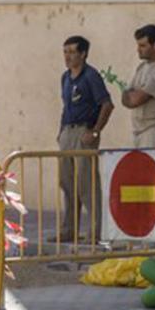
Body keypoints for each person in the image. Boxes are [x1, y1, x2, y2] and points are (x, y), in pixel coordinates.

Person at [56, 35, 113, 244]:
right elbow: (66, 105)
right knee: (67, 181)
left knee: (86, 184)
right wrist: (60, 131)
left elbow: (107, 105)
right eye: (65, 52)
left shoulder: (91, 76)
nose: (68, 56)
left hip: (84, 131)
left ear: (83, 54)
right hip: (67, 132)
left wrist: (96, 131)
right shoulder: (65, 77)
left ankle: (95, 232)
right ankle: (69, 229)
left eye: (72, 52)